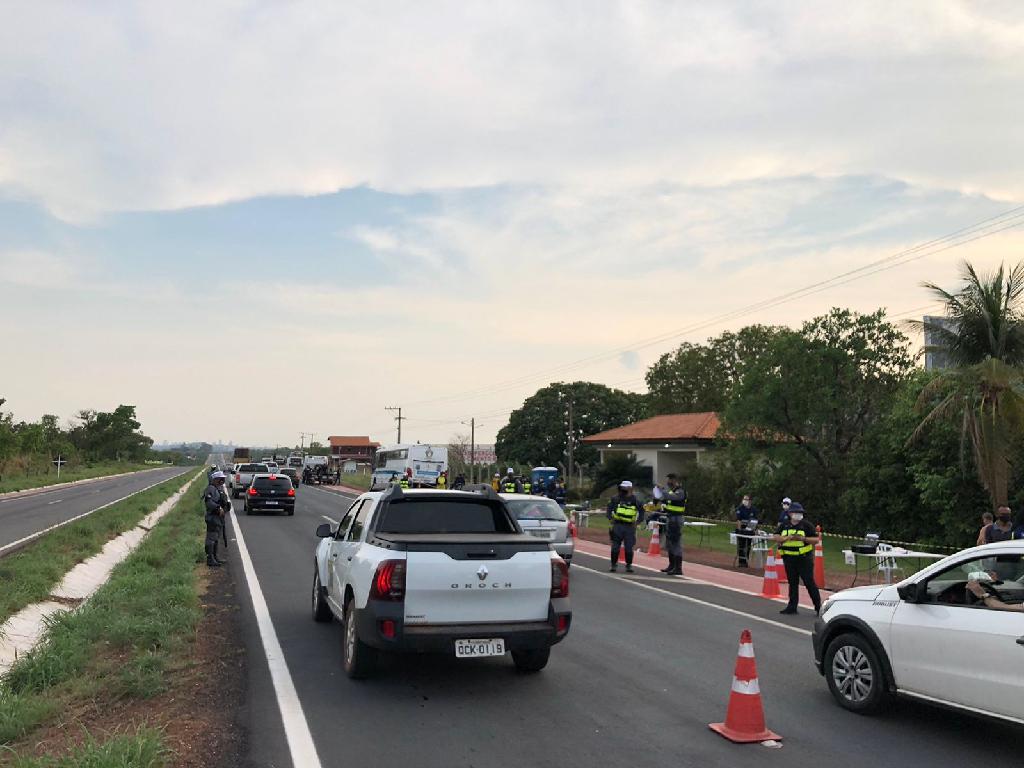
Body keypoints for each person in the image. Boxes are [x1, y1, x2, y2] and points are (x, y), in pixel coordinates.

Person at [773, 502, 822, 615]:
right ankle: (792, 606)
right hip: (789, 558)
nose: (798, 514)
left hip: (803, 559)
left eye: (800, 513)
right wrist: (786, 538)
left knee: (809, 582)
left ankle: (818, 607)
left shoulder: (806, 525)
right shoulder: (785, 524)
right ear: (790, 513)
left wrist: (803, 539)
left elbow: (815, 540)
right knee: (792, 583)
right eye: (796, 512)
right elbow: (776, 536)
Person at [606, 480, 643, 573]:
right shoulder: (615, 498)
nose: (623, 489)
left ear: (630, 488)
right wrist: (610, 518)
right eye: (622, 487)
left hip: (629, 527)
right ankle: (613, 565)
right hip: (617, 525)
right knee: (615, 547)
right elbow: (609, 509)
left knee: (629, 548)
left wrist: (638, 522)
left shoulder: (635, 500)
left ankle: (629, 565)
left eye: (625, 487)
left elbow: (642, 511)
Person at [203, 471, 231, 568]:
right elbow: (209, 502)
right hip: (213, 517)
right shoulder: (210, 489)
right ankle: (210, 559)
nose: (222, 480)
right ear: (215, 479)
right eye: (220, 479)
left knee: (216, 538)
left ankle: (215, 557)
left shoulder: (219, 489)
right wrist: (218, 508)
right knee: (211, 538)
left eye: (223, 479)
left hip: (219, 518)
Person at [660, 473, 686, 576]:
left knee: (676, 542)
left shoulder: (680, 491)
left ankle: (678, 568)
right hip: (670, 518)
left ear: (675, 480)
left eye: (670, 479)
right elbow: (666, 500)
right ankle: (671, 565)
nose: (668, 481)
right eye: (668, 479)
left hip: (676, 519)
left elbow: (672, 497)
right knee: (670, 543)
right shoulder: (671, 491)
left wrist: (662, 491)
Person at [734, 494, 759, 568]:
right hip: (742, 529)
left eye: (746, 499)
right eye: (744, 499)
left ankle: (746, 561)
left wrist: (756, 530)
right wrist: (739, 530)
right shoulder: (740, 508)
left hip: (750, 529)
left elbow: (755, 521)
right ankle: (741, 562)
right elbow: (738, 520)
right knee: (741, 545)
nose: (744, 501)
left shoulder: (753, 510)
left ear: (750, 501)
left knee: (748, 546)